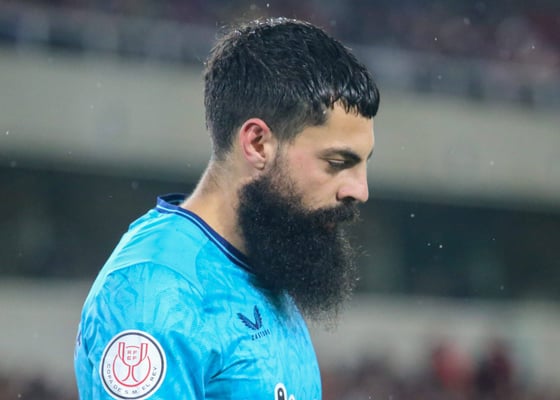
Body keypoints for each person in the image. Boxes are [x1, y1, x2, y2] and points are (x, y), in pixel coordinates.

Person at [74, 17, 380, 400]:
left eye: (364, 164)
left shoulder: (264, 265)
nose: (360, 190)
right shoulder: (157, 292)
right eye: (337, 162)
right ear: (257, 144)